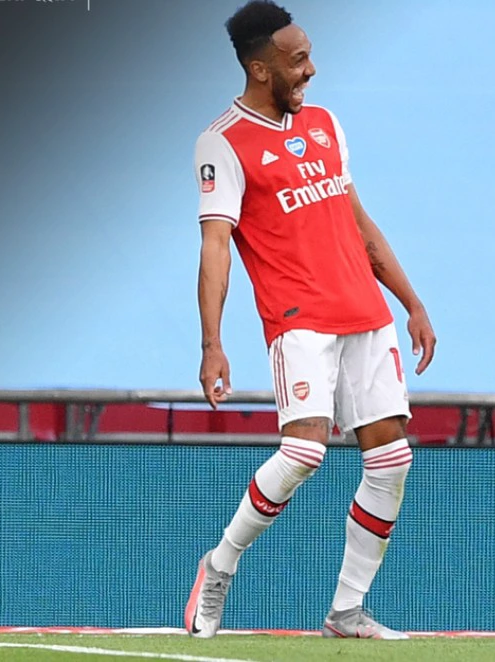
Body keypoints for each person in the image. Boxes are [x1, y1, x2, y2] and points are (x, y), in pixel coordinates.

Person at [185, 0, 436, 640]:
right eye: (298, 61)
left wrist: (410, 301)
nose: (311, 71)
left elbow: (358, 222)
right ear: (260, 68)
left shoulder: (324, 125)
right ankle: (219, 566)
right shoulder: (222, 142)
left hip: (365, 312)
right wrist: (212, 343)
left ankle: (346, 612)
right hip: (299, 320)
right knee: (303, 451)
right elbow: (216, 247)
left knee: (392, 460)